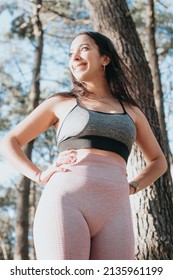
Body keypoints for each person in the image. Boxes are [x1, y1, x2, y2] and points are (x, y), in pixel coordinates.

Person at [0, 31, 167, 260]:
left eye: (84, 49)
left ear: (105, 58)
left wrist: (133, 186)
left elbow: (159, 162)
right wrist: (39, 176)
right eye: (71, 53)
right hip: (66, 202)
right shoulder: (61, 103)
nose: (75, 57)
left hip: (116, 211)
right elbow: (9, 142)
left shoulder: (132, 111)